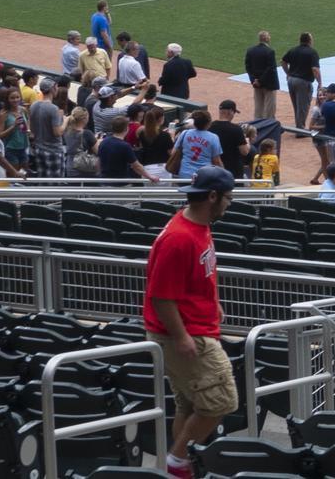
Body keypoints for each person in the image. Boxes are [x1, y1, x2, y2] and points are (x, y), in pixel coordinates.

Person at [145, 167, 237, 479]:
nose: (229, 204)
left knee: (189, 405)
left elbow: (196, 275)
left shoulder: (197, 224)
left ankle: (180, 464)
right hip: (187, 335)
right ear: (211, 197)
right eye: (227, 198)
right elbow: (160, 296)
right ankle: (178, 461)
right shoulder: (179, 238)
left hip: (194, 325)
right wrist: (181, 336)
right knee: (221, 400)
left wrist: (214, 303)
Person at [283, 31, 320, 130]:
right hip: (303, 82)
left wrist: (288, 73)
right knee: (303, 106)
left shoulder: (293, 50)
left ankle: (298, 125)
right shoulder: (312, 52)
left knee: (296, 105)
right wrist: (320, 83)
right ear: (309, 41)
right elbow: (315, 69)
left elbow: (283, 62)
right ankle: (300, 130)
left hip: (291, 81)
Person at [243, 31, 280, 123]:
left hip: (256, 84)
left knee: (258, 106)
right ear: (267, 39)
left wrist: (254, 80)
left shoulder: (251, 50)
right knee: (269, 108)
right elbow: (271, 68)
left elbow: (248, 67)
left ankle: (257, 125)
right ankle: (268, 125)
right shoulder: (270, 51)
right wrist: (260, 80)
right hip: (269, 84)